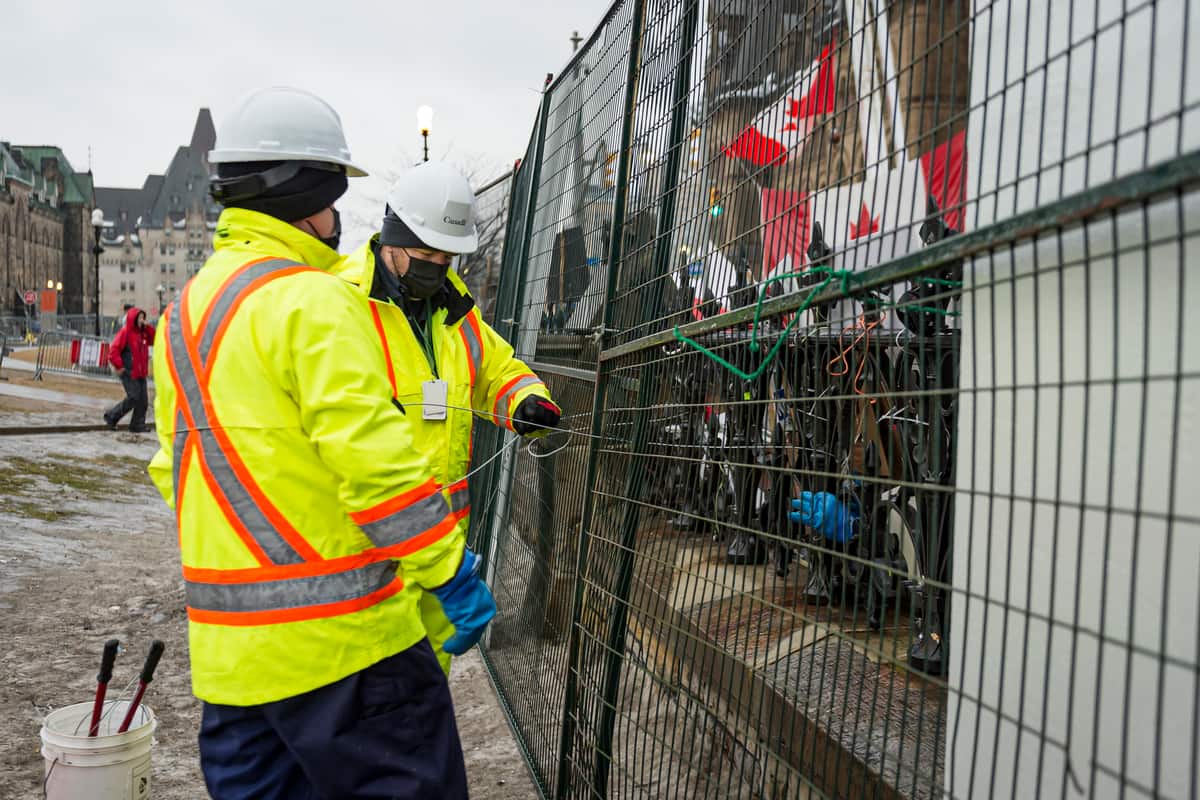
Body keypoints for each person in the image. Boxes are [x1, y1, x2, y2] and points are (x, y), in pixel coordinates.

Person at [147, 87, 482, 800]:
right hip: (350, 653)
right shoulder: (313, 300)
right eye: (334, 202)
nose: (337, 223)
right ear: (308, 196)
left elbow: (172, 470)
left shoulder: (181, 316)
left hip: (231, 666)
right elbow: (375, 460)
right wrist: (450, 571)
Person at [335, 160, 561, 675]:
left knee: (421, 701)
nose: (437, 264)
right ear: (394, 235)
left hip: (443, 558)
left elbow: (495, 368)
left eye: (447, 255)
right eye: (426, 251)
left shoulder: (452, 310)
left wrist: (525, 398)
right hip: (369, 559)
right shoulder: (340, 303)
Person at [104, 306, 154, 432]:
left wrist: (147, 327)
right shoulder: (125, 332)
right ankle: (111, 416)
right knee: (133, 397)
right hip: (128, 371)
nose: (142, 320)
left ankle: (137, 424)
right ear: (134, 318)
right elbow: (113, 350)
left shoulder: (143, 333)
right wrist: (119, 366)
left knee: (143, 400)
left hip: (140, 372)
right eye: (140, 317)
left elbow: (154, 339)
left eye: (143, 317)